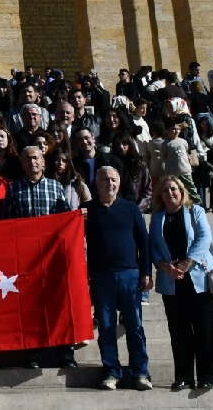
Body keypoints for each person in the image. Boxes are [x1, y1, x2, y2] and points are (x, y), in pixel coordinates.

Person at [2, 146, 74, 368]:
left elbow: (66, 221)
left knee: (59, 304)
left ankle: (65, 352)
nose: (32, 161)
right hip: (26, 260)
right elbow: (7, 224)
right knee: (31, 307)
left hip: (52, 259)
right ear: (22, 163)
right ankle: (34, 353)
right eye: (27, 158)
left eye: (36, 158)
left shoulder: (56, 187)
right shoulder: (13, 190)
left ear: (44, 162)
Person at [84, 167, 152, 391]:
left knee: (134, 326)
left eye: (113, 180)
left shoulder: (131, 209)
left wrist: (146, 273)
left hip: (130, 275)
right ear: (97, 182)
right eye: (105, 180)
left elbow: (143, 241)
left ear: (119, 183)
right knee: (105, 326)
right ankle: (111, 372)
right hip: (102, 277)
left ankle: (140, 372)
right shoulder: (87, 210)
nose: (109, 183)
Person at [149, 176, 213, 391]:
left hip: (197, 278)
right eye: (165, 190)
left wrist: (187, 262)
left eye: (174, 189)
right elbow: (152, 246)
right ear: (160, 195)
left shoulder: (194, 211)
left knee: (204, 329)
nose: (170, 193)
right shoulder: (157, 217)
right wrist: (165, 267)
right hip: (172, 280)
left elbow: (204, 238)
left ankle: (207, 376)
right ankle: (184, 376)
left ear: (181, 191)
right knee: (179, 331)